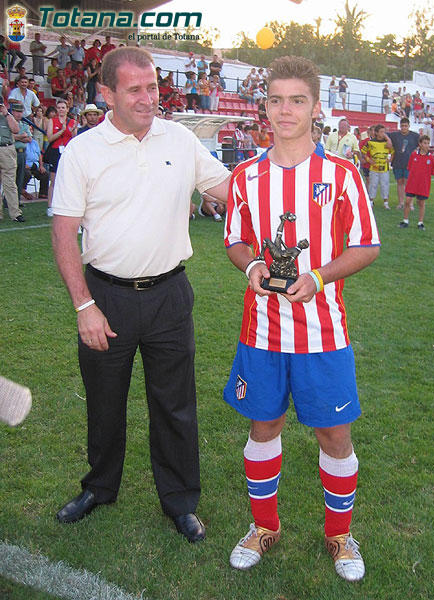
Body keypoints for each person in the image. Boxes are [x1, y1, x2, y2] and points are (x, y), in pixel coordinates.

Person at [51, 47, 230, 542]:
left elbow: (228, 190)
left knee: (175, 405)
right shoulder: (82, 150)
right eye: (135, 89)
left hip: (170, 295)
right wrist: (84, 306)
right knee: (104, 403)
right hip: (105, 298)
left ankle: (179, 501)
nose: (149, 98)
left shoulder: (180, 138)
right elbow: (64, 232)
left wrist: (282, 184)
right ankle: (99, 487)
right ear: (106, 94)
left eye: (152, 86)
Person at [223, 55, 379, 582]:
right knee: (263, 425)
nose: (284, 110)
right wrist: (252, 267)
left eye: (297, 100)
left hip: (324, 334)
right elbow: (235, 242)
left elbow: (367, 245)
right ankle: (264, 526)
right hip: (261, 331)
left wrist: (320, 276)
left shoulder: (341, 174)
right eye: (275, 100)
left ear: (316, 107)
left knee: (335, 436)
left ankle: (340, 535)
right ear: (263, 106)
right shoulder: (245, 176)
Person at [46, 98, 77, 216]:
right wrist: (62, 131)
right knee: (53, 180)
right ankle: (50, 206)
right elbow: (49, 138)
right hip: (55, 151)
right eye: (59, 108)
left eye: (63, 108)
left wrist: (73, 131)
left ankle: (68, 205)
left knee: (69, 178)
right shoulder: (52, 121)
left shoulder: (72, 122)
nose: (61, 110)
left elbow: (75, 139)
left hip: (68, 151)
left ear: (67, 109)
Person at [399, 135, 434, 231]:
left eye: (428, 143)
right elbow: (410, 168)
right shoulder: (414, 155)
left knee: (421, 203)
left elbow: (431, 172)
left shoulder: (430, 158)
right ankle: (405, 220)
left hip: (423, 184)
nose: (427, 145)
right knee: (407, 201)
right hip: (412, 183)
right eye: (425, 143)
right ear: (420, 144)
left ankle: (420, 222)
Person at [0, 99, 24, 222]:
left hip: (6, 148)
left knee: (10, 183)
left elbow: (16, 129)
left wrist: (7, 114)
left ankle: (15, 213)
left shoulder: (8, 117)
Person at [388, 117, 419, 210]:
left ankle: (410, 203)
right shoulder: (395, 135)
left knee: (408, 183)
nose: (404, 128)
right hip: (397, 162)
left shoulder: (415, 136)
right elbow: (384, 134)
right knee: (399, 182)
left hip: (409, 163)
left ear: (409, 126)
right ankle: (401, 203)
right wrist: (389, 141)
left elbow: (422, 143)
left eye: (405, 126)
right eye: (402, 126)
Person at [361, 124, 394, 209]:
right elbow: (363, 152)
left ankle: (386, 202)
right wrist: (369, 160)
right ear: (376, 133)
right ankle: (371, 201)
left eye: (384, 132)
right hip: (374, 167)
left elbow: (393, 151)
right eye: (381, 132)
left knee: (385, 184)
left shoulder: (387, 143)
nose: (383, 134)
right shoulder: (371, 143)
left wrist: (390, 160)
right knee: (373, 184)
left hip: (384, 167)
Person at [11, 100, 32, 203]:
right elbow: (9, 137)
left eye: (20, 111)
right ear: (13, 112)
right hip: (12, 151)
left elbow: (29, 139)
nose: (19, 114)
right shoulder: (8, 123)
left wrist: (17, 137)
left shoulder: (24, 124)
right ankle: (9, 201)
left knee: (20, 176)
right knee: (11, 177)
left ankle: (17, 200)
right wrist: (21, 136)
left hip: (22, 152)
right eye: (17, 111)